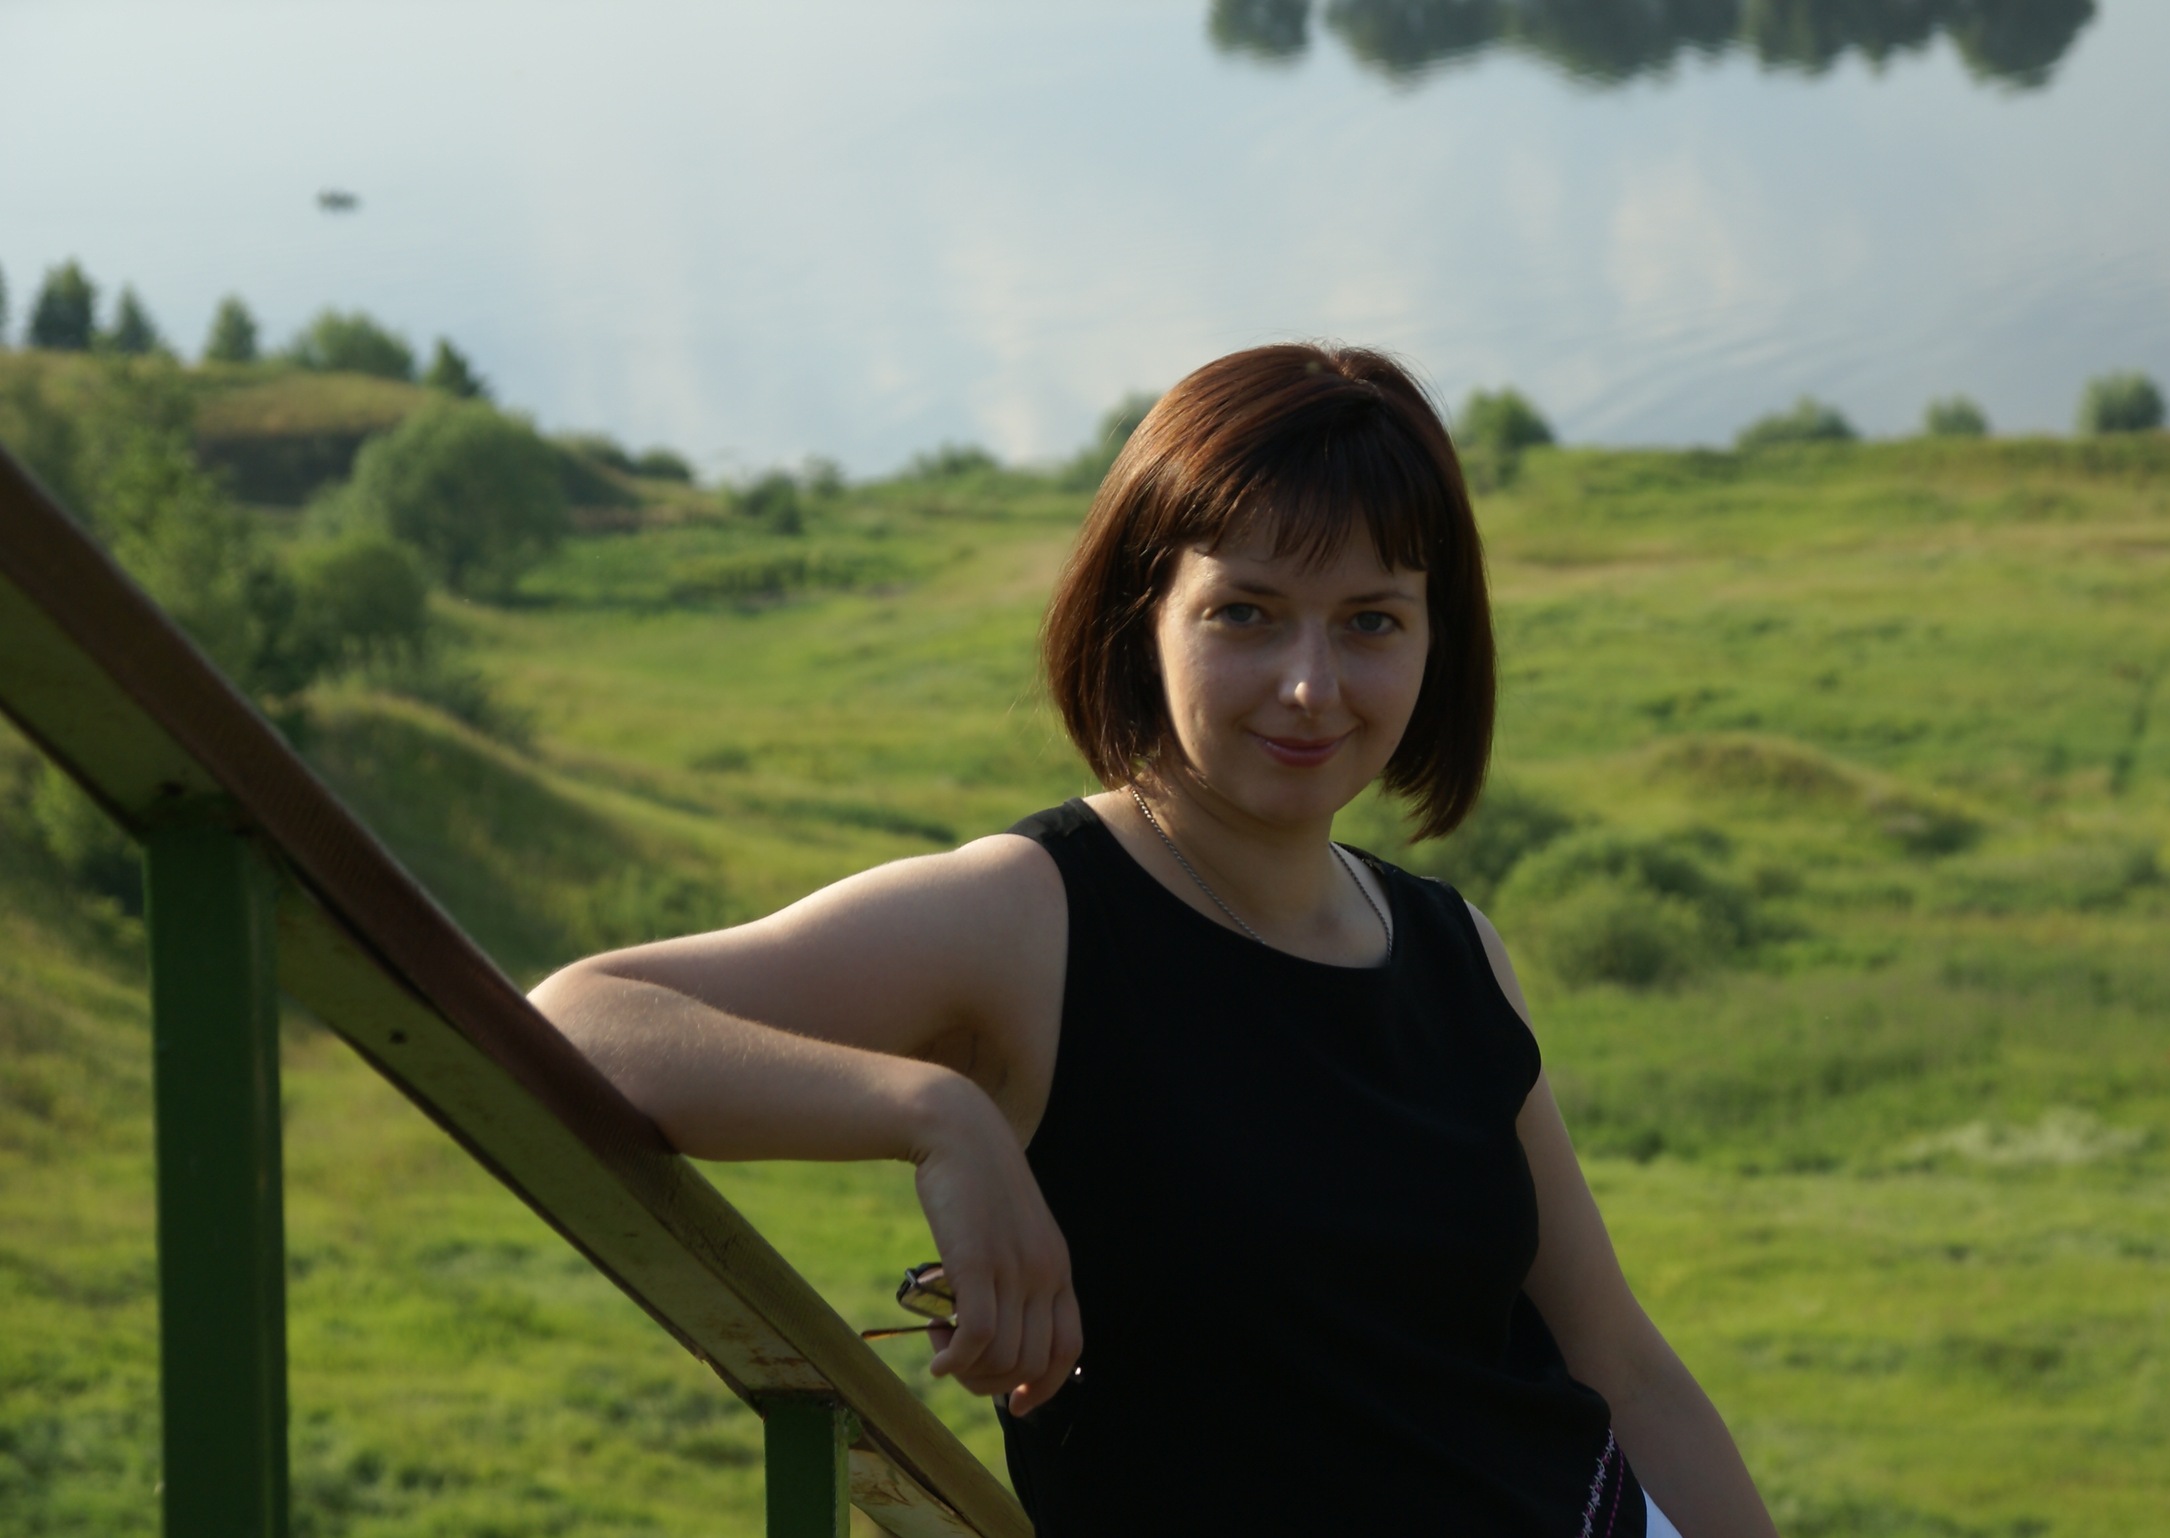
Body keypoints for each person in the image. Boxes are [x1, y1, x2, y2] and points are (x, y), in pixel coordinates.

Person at [529, 345, 1778, 1538]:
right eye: (1246, 612)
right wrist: (936, 1114)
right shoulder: (1034, 917)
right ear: (1142, 617)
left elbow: (1620, 1363)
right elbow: (583, 1017)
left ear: (1433, 638)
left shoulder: (1455, 949)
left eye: (1371, 620)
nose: (1311, 683)